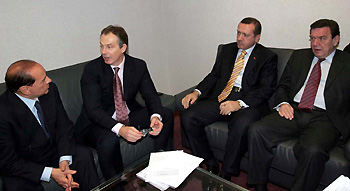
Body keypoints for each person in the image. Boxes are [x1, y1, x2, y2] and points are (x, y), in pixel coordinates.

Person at [247, 19, 350, 191]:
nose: (315, 44)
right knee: (257, 130)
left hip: (325, 118)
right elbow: (283, 86)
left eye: (322, 38)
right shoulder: (299, 56)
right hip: (294, 110)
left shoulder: (347, 63)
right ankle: (259, 186)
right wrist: (283, 102)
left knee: (312, 150)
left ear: (336, 40)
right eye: (312, 38)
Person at [181, 17, 278, 180]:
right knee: (188, 116)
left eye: (245, 35)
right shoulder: (227, 50)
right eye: (238, 33)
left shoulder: (267, 57)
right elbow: (214, 76)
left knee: (241, 124)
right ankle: (209, 161)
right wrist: (196, 92)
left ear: (257, 37)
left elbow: (266, 89)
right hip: (223, 96)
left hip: (249, 102)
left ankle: (226, 174)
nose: (240, 38)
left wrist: (239, 104)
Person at [74, 25, 174, 180]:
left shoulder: (138, 65)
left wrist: (155, 117)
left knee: (165, 114)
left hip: (127, 114)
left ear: (123, 48)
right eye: (101, 46)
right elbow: (93, 110)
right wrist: (121, 129)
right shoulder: (92, 70)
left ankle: (161, 167)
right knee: (109, 140)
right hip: (95, 123)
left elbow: (151, 95)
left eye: (109, 47)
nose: (103, 52)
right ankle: (116, 185)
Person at [0, 60, 99, 191]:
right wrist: (50, 173)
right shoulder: (3, 112)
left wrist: (64, 160)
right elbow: (8, 162)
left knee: (83, 155)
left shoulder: (50, 90)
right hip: (25, 162)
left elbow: (63, 125)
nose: (49, 80)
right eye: (43, 80)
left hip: (52, 150)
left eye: (46, 75)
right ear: (26, 89)